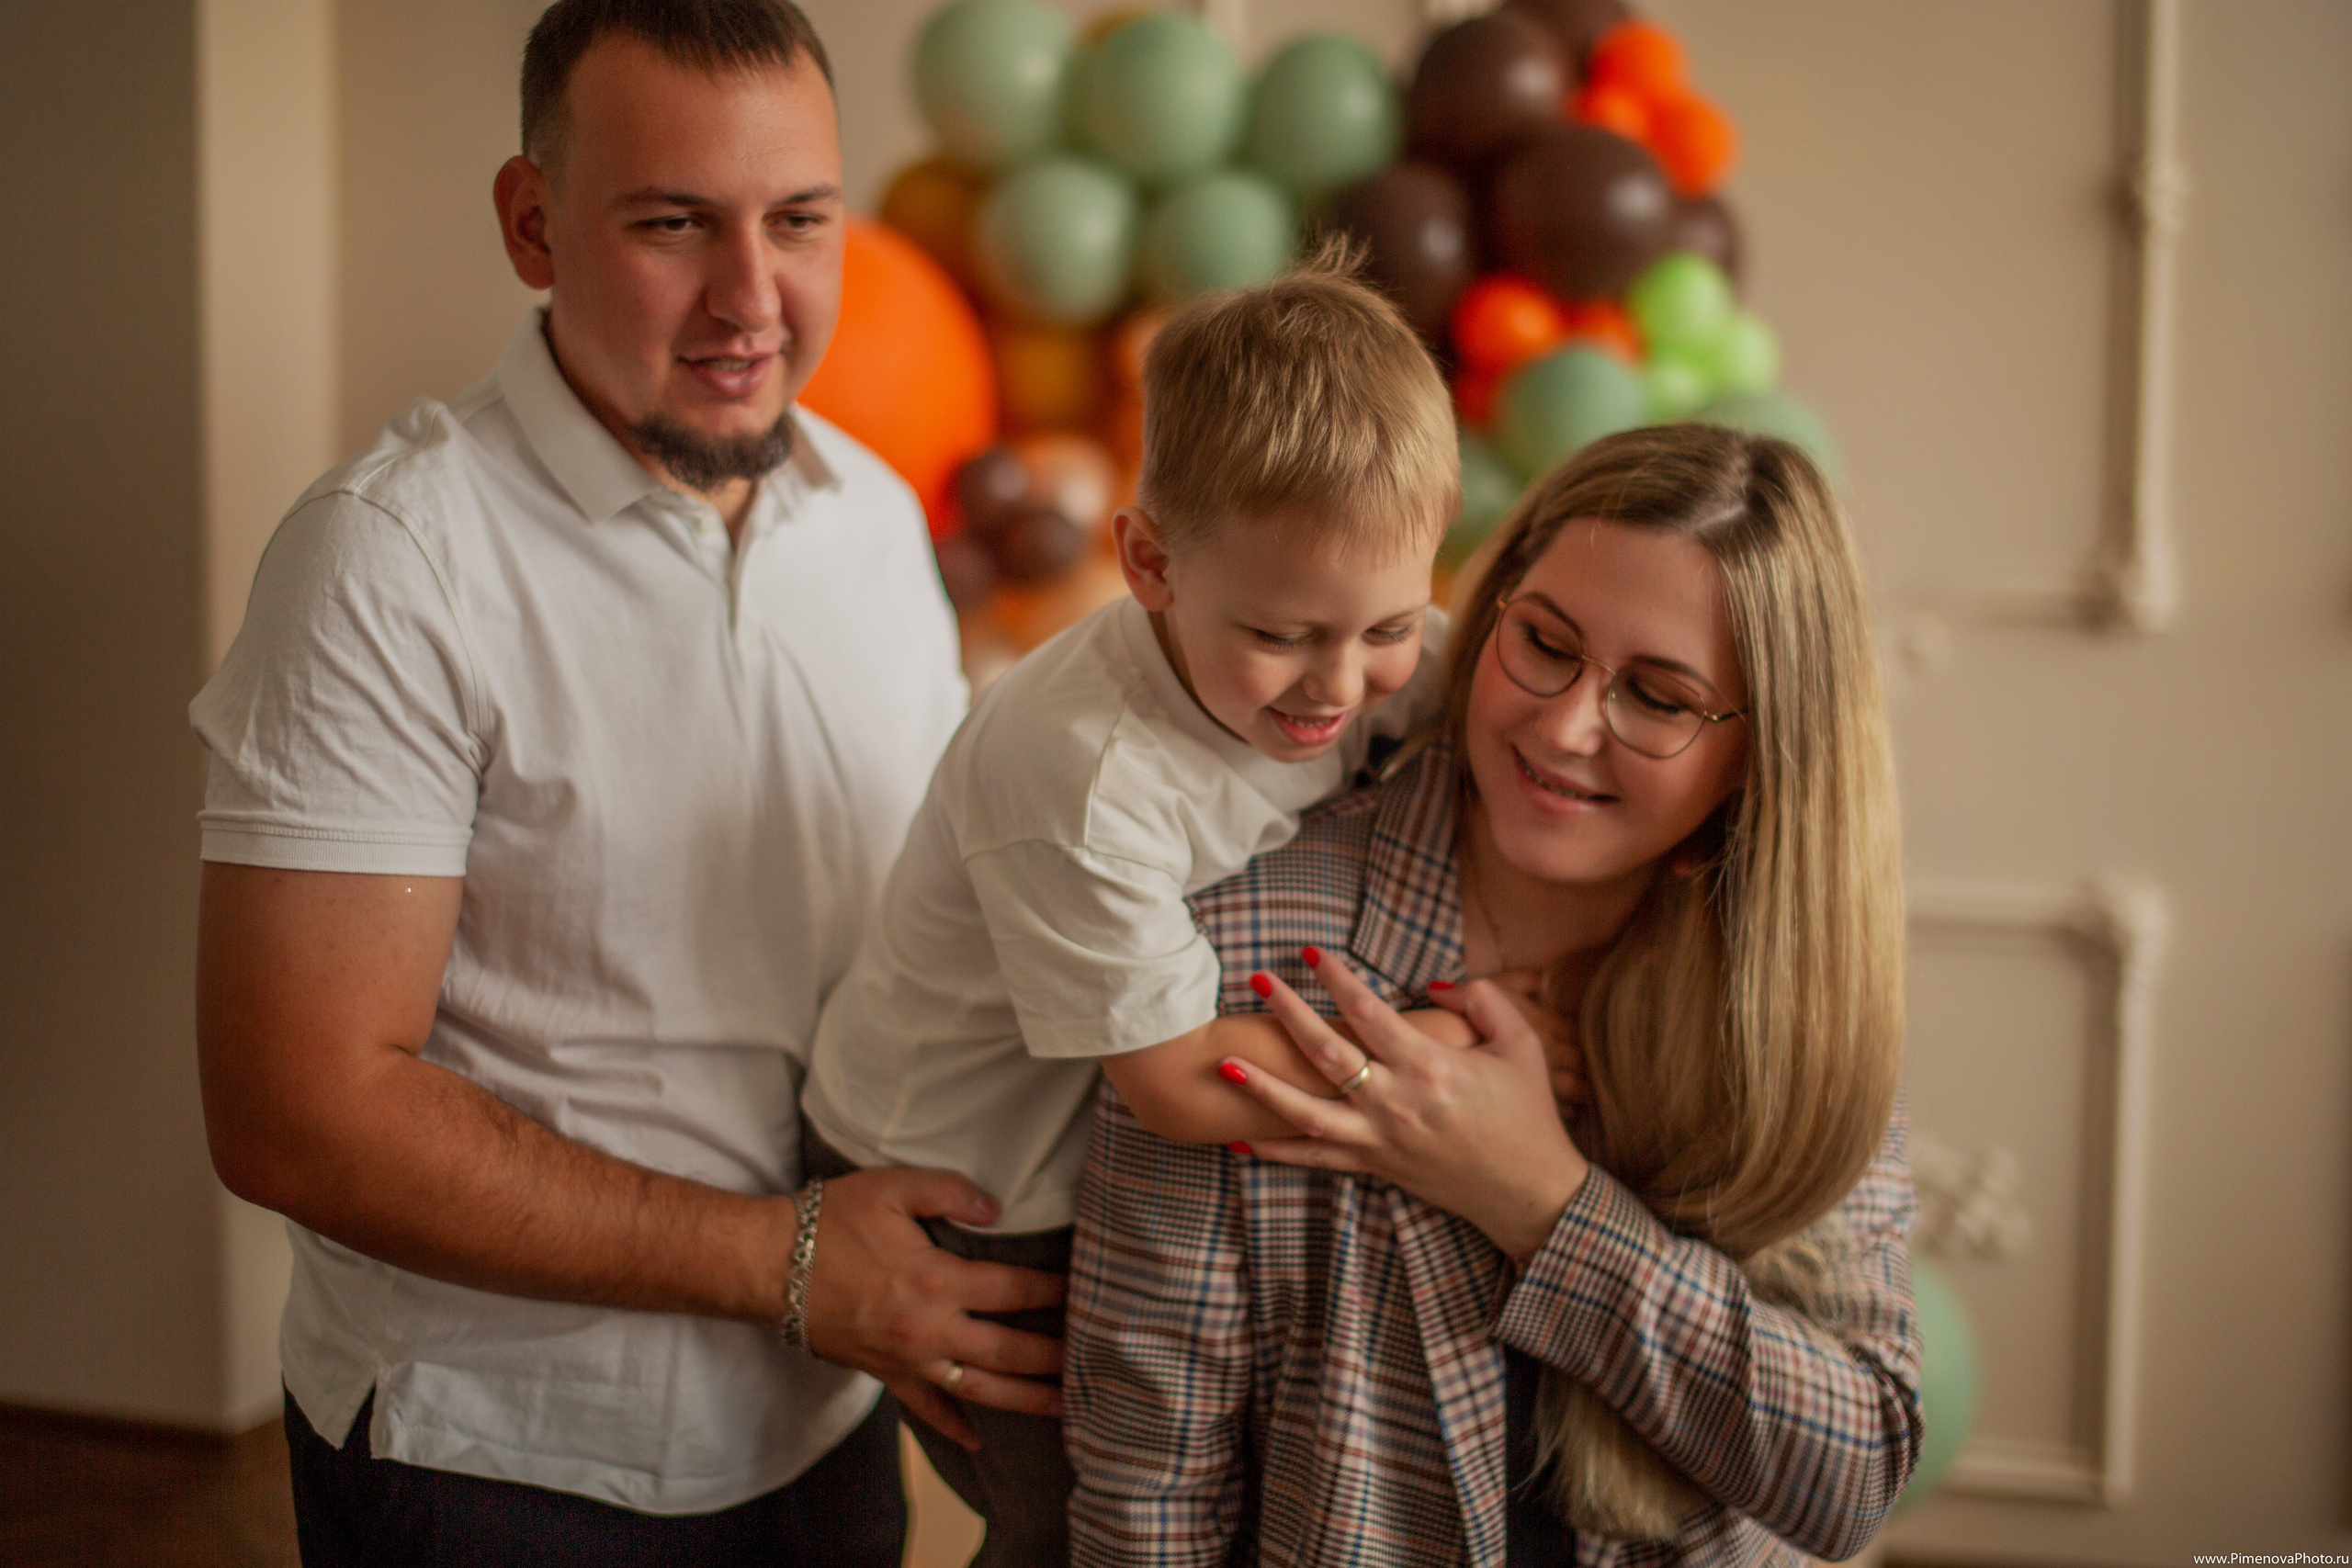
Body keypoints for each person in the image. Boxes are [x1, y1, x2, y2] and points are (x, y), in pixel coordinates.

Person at [189, 3, 1063, 1562]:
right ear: (533, 225)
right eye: (674, 223)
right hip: (498, 1463)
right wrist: (786, 1261)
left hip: (826, 1422)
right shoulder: (391, 562)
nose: (752, 298)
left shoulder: (870, 521)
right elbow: (295, 1113)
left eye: (800, 221)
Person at [1067, 424, 1924, 1565]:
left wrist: (1543, 1203)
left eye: (1659, 699)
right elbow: (1149, 1495)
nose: (1565, 727)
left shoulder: (1787, 1001)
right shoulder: (1245, 955)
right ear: (1491, 611)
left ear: (1759, 754)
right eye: (1546, 644)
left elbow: (1854, 1475)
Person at [799, 256, 1470, 1568]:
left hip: (1085, 1119)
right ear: (1149, 561)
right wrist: (1442, 1058)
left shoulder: (1351, 642)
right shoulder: (1083, 765)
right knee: (1074, 1515)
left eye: (1387, 622)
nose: (1343, 684)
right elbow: (1170, 1079)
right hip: (953, 1168)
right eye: (1286, 634)